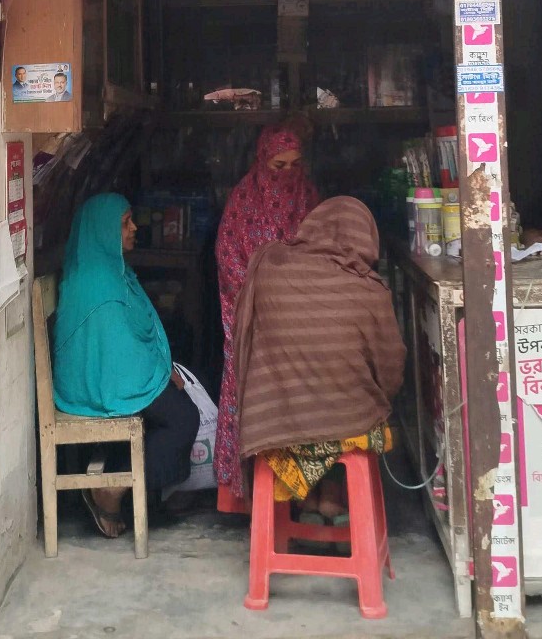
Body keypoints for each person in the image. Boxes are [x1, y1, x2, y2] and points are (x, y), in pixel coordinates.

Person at [232, 197, 405, 515]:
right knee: (352, 415)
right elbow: (391, 368)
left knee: (311, 410)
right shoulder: (370, 289)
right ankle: (332, 498)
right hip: (347, 422)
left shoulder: (269, 266)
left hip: (274, 422)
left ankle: (305, 497)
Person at [53, 194, 200, 539]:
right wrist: (161, 374)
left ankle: (126, 484)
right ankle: (112, 490)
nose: (134, 228)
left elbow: (125, 349)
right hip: (97, 383)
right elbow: (119, 355)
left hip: (115, 373)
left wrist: (163, 369)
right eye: (124, 223)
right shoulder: (99, 284)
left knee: (179, 402)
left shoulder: (111, 270)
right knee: (183, 418)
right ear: (102, 231)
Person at [214, 123, 320, 511]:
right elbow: (228, 259)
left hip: (301, 318)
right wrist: (266, 297)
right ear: (262, 161)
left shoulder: (309, 198)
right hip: (253, 317)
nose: (287, 174)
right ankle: (251, 496)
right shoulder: (242, 201)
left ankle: (304, 492)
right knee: (253, 393)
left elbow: (322, 254)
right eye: (279, 166)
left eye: (295, 165)